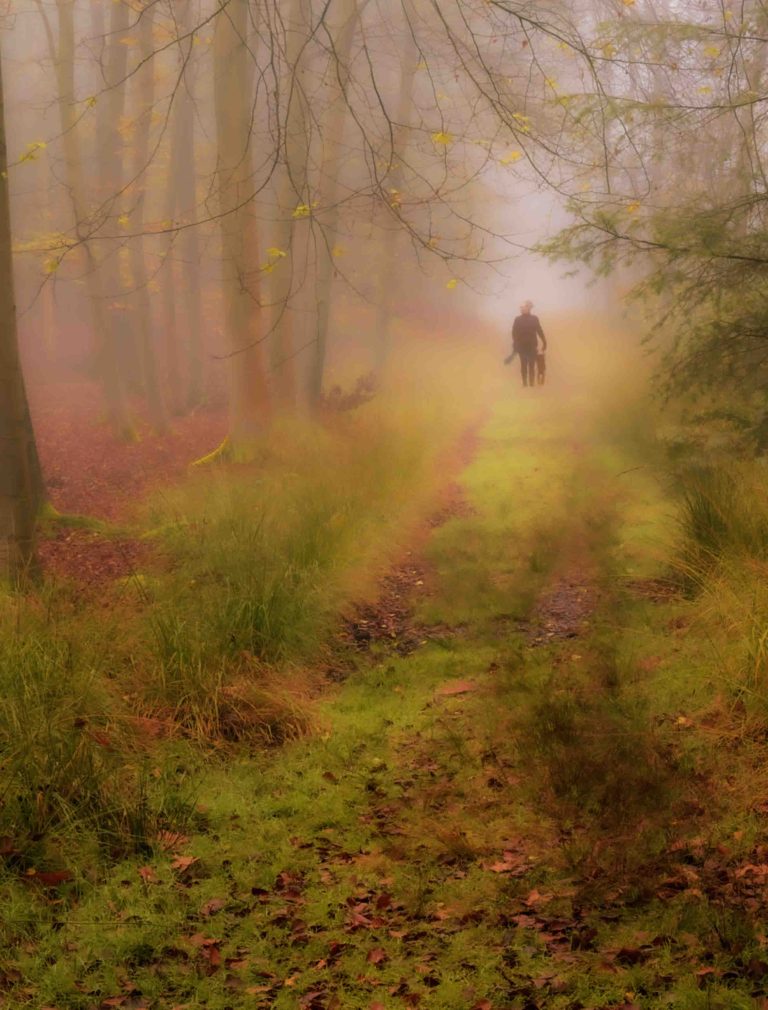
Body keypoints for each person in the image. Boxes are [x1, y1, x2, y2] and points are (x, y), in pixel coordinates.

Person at [505, 300, 547, 388]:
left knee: (531, 365)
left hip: (532, 346)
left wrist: (544, 341)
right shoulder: (517, 319)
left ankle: (531, 384)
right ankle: (525, 384)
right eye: (521, 308)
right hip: (521, 347)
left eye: (524, 307)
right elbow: (514, 332)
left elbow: (539, 330)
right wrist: (516, 343)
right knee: (523, 365)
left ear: (529, 308)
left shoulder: (534, 319)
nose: (522, 309)